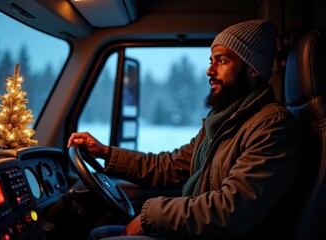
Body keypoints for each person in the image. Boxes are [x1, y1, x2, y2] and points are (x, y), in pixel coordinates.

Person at [67, 19, 302, 239]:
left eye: (221, 60)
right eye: (211, 61)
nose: (210, 71)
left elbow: (232, 208)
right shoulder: (221, 122)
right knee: (100, 232)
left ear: (252, 69)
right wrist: (106, 153)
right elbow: (167, 166)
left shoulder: (272, 126)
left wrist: (152, 215)